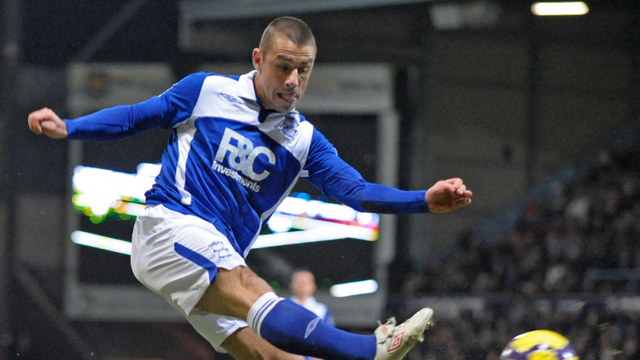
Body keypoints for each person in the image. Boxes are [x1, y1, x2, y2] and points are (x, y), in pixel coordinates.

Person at [28, 16, 472, 360]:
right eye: (283, 67)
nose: (293, 82)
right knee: (251, 285)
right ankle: (369, 350)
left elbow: (353, 191)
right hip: (169, 228)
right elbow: (135, 116)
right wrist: (69, 126)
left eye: (304, 70)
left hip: (216, 255)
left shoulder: (304, 141)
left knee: (270, 354)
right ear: (258, 59)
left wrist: (423, 201)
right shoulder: (206, 91)